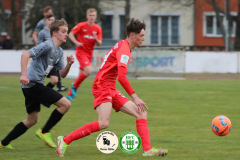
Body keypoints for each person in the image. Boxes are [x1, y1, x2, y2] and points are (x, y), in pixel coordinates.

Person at [56, 18, 168, 157]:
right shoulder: (124, 50)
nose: (143, 39)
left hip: (110, 87)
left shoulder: (123, 45)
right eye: (141, 35)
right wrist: (135, 96)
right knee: (103, 123)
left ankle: (147, 149)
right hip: (102, 86)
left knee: (141, 113)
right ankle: (65, 140)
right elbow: (122, 77)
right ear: (132, 35)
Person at [0, 18, 75, 149]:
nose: (66, 34)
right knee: (65, 104)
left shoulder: (60, 51)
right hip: (32, 84)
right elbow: (25, 55)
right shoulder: (47, 45)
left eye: (67, 32)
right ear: (55, 33)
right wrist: (23, 74)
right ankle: (44, 132)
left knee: (32, 120)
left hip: (31, 86)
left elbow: (62, 74)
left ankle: (3, 143)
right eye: (63, 31)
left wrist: (69, 64)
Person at [66, 8, 102, 101]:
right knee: (89, 70)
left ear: (96, 16)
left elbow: (99, 43)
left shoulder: (98, 28)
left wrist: (96, 38)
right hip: (81, 52)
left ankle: (70, 95)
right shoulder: (81, 25)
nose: (91, 17)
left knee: (81, 74)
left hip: (89, 53)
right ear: (87, 16)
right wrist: (76, 42)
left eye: (93, 15)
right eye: (90, 15)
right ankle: (74, 85)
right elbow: (70, 34)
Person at [37, 13, 68, 92]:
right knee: (39, 81)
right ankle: (42, 93)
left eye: (52, 20)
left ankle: (44, 93)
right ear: (45, 21)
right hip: (44, 60)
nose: (51, 21)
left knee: (55, 80)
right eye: (49, 20)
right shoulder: (42, 33)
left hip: (52, 59)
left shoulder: (57, 32)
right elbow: (38, 45)